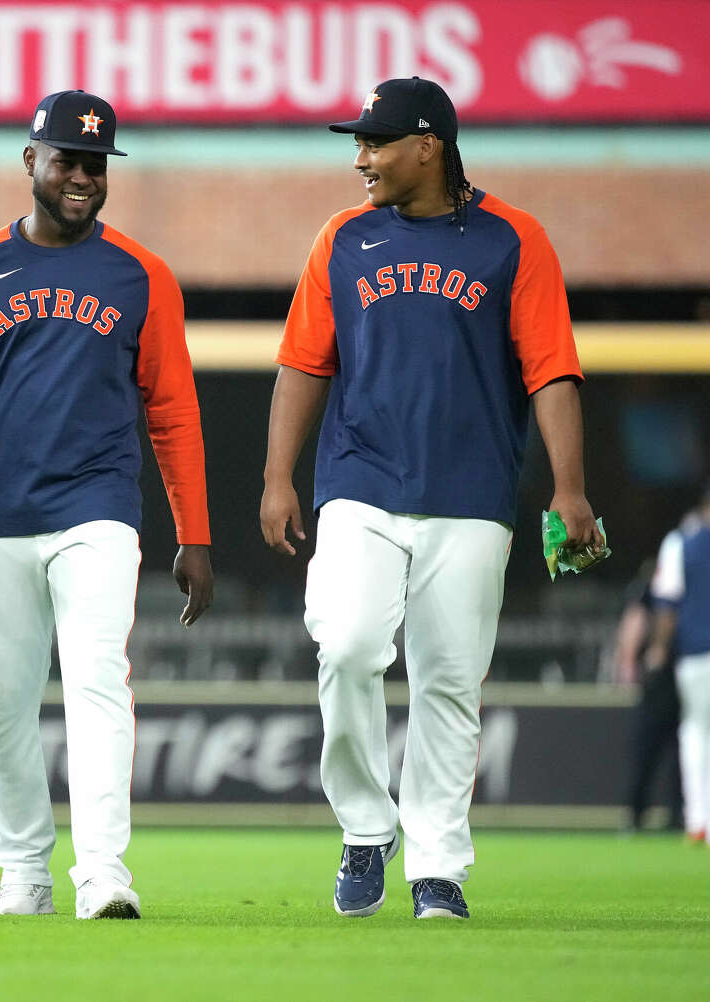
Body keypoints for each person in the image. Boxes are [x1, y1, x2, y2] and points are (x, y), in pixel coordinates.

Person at [259, 77, 602, 920]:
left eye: (375, 144)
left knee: (449, 683)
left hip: (471, 491)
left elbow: (551, 369)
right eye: (359, 143)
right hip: (361, 482)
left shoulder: (512, 239)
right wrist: (276, 477)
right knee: (345, 644)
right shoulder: (342, 238)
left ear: (429, 146)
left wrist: (570, 490)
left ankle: (438, 865)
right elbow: (304, 363)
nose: (361, 159)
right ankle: (367, 827)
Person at [0, 89, 214, 920]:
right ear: (30, 161)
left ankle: (104, 872)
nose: (82, 176)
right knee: (6, 702)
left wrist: (194, 531)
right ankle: (24, 873)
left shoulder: (141, 273)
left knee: (96, 682)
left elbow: (173, 407)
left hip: (100, 508)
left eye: (96, 163)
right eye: (68, 160)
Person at [646, 487, 710, 842]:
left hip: (697, 655)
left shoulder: (680, 543)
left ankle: (698, 819)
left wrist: (658, 648)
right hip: (697, 652)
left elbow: (667, 603)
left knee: (696, 732)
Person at [614, 560, 682, 832]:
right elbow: (635, 621)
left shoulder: (661, 588)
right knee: (665, 749)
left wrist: (628, 661)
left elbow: (634, 621)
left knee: (669, 750)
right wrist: (628, 661)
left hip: (670, 674)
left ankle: (663, 814)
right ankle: (644, 813)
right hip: (668, 675)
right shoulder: (652, 589)